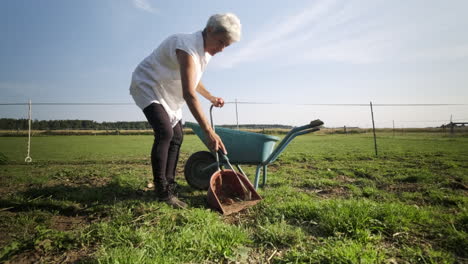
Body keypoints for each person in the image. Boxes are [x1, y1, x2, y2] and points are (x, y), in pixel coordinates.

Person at [129, 13, 241, 209]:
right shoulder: (186, 45)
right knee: (165, 131)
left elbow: (194, 81)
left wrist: (211, 97)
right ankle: (162, 191)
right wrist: (209, 131)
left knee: (177, 136)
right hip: (149, 84)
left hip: (168, 93)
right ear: (209, 31)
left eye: (227, 45)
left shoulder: (204, 53)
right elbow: (189, 94)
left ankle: (170, 184)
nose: (222, 49)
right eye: (221, 42)